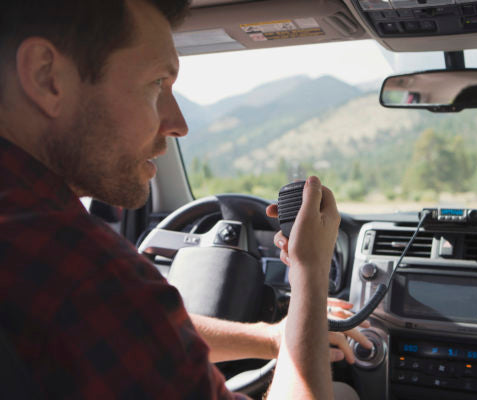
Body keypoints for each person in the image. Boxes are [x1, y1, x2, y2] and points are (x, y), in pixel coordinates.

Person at [0, 0, 369, 398]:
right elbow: (119, 309)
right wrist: (309, 275)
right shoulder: (86, 272)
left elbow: (134, 330)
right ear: (46, 77)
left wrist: (275, 337)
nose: (179, 125)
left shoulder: (42, 255)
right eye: (157, 83)